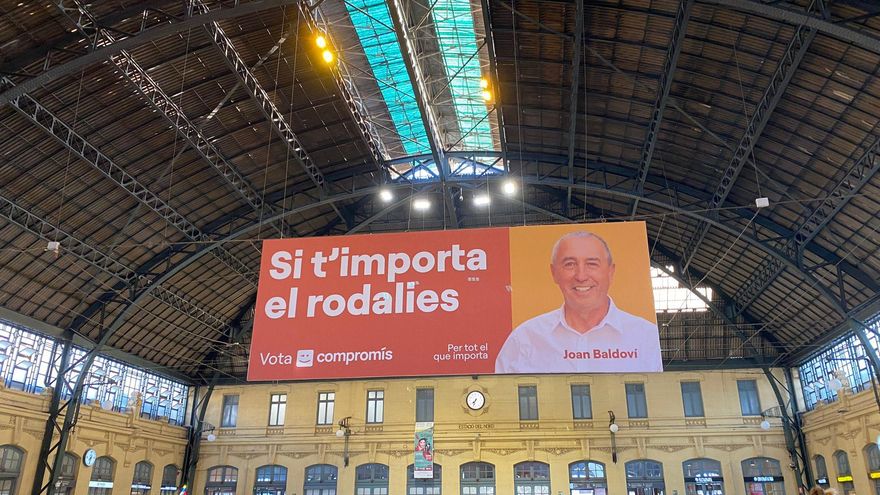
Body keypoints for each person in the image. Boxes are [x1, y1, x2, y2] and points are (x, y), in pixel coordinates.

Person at [495, 231, 662, 373]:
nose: (581, 276)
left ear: (611, 272)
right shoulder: (524, 339)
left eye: (592, 264)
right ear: (554, 273)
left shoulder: (646, 337)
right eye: (570, 264)